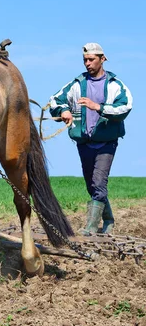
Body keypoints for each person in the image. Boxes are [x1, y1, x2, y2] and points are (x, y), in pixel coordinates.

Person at [49, 43, 132, 234]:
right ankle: (108, 219)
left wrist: (99, 107)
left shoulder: (114, 85)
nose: (87, 63)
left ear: (102, 59)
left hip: (106, 142)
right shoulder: (77, 84)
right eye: (85, 60)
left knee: (98, 182)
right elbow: (55, 100)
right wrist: (64, 110)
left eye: (91, 59)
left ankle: (91, 227)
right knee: (91, 184)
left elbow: (125, 106)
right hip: (84, 142)